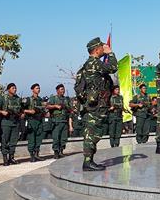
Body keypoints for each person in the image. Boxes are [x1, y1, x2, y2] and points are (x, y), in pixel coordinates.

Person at [76, 37, 117, 171]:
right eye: (101, 47)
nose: (103, 49)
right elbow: (113, 67)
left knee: (92, 131)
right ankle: (88, 162)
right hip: (96, 105)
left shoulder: (88, 64)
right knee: (92, 132)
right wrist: (110, 53)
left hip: (94, 104)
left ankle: (89, 160)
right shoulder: (94, 63)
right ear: (96, 49)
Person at [0, 83, 22, 166]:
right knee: (5, 140)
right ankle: (5, 158)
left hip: (15, 122)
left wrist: (22, 114)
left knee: (13, 141)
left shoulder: (18, 99)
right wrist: (2, 112)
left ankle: (11, 157)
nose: (15, 89)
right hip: (6, 122)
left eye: (15, 88)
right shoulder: (3, 98)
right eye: (13, 88)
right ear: (8, 89)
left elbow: (21, 109)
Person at [23, 83, 45, 162]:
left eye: (39, 88)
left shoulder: (40, 100)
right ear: (32, 90)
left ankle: (37, 154)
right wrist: (30, 111)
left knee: (39, 138)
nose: (38, 89)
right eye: (36, 88)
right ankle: (31, 155)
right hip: (31, 120)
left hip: (39, 121)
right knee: (31, 138)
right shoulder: (28, 99)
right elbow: (21, 109)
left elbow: (43, 109)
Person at [48, 84, 72, 158]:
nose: (63, 91)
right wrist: (55, 106)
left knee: (63, 138)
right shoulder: (53, 98)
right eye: (61, 89)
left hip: (64, 121)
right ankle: (56, 152)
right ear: (57, 90)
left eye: (63, 89)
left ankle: (61, 151)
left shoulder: (66, 99)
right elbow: (48, 106)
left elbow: (70, 110)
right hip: (56, 121)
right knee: (56, 137)